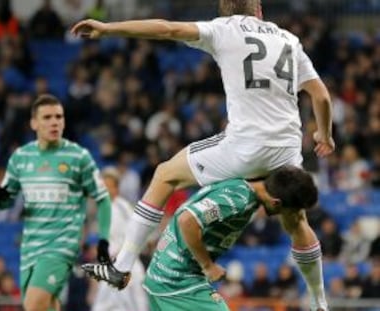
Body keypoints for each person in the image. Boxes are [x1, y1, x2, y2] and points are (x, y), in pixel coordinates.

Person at [72, 0, 334, 308]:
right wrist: (324, 134)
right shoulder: (289, 39)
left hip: (244, 148)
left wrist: (108, 28)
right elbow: (321, 95)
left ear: (226, 10)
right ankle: (319, 302)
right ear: (259, 10)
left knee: (165, 175)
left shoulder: (225, 29)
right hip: (286, 151)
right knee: (297, 221)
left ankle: (123, 264)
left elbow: (168, 29)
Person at [83, 166, 327, 311]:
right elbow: (186, 220)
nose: (294, 217)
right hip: (178, 281)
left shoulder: (243, 180)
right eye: (292, 210)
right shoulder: (238, 200)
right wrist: (207, 264)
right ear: (276, 202)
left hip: (163, 277)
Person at [0, 94, 113, 311]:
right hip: (30, 247)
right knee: (48, 306)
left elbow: (102, 198)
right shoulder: (20, 157)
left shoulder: (78, 157)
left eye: (59, 116)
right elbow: (4, 201)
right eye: (47, 117)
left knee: (33, 305)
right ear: (33, 123)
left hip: (61, 245)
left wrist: (103, 240)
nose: (55, 122)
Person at [90, 167, 148, 311]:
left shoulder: (124, 207)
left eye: (109, 186)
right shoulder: (104, 209)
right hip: (112, 267)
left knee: (138, 306)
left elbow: (136, 235)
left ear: (116, 188)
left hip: (128, 266)